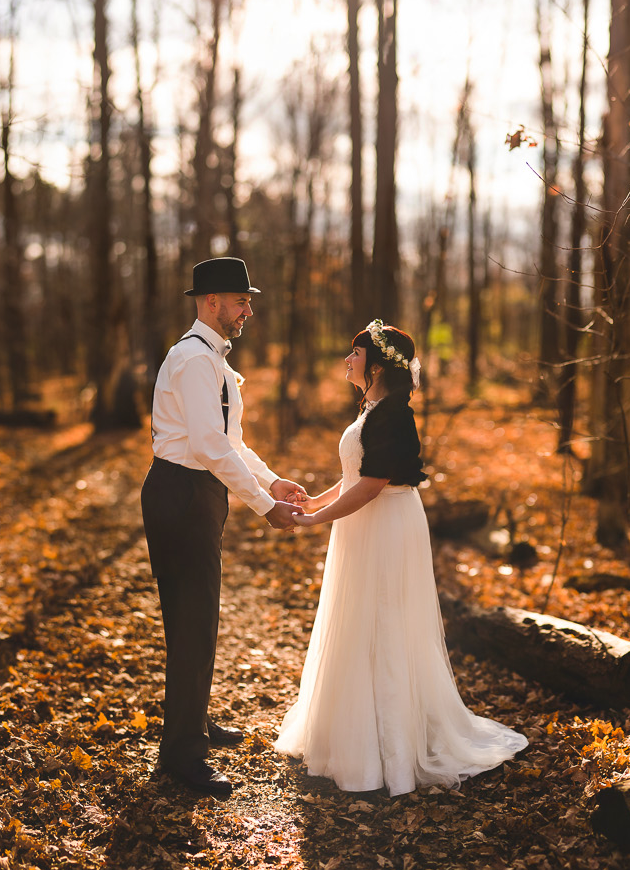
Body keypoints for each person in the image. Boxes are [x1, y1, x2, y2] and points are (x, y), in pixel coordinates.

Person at [274, 321, 527, 795]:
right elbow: (356, 475)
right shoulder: (374, 409)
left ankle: (388, 748)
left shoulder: (393, 416)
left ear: (376, 365)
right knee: (359, 622)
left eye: (355, 353)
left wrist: (316, 520)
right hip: (365, 522)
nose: (347, 360)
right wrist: (314, 502)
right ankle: (356, 731)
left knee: (385, 622)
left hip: (387, 525)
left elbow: (373, 487)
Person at [143, 257, 308, 798]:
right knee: (192, 620)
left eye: (247, 300)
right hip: (181, 493)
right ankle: (182, 755)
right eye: (240, 301)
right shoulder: (193, 360)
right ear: (211, 302)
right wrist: (265, 506)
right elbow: (209, 446)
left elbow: (230, 441)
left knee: (200, 618)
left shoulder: (211, 358)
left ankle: (193, 722)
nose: (247, 310)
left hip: (199, 492)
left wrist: (273, 480)